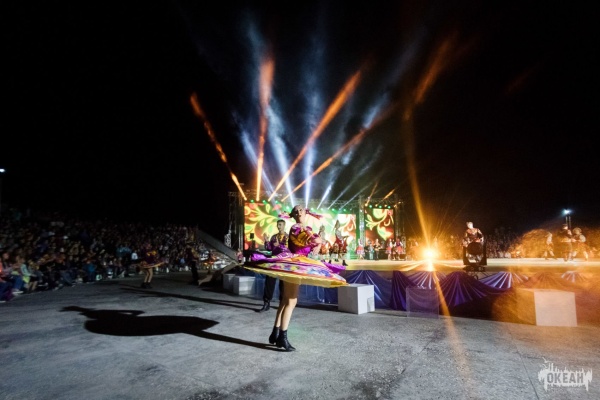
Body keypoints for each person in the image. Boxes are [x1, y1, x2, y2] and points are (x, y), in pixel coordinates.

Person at [244, 205, 347, 351]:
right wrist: (317, 242)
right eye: (296, 211)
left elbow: (312, 242)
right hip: (293, 264)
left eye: (301, 210)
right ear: (293, 215)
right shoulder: (296, 228)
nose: (299, 212)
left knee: (285, 300)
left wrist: (317, 244)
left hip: (298, 263)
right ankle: (282, 337)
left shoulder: (306, 228)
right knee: (291, 301)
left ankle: (276, 332)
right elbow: (306, 240)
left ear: (306, 212)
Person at [258, 219, 288, 312]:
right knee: (269, 282)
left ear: (284, 225)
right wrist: (267, 241)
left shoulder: (287, 237)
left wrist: (280, 245)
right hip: (274, 262)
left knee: (283, 284)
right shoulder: (274, 237)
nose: (278, 226)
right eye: (278, 225)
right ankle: (266, 303)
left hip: (284, 262)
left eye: (280, 225)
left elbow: (288, 250)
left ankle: (282, 304)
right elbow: (269, 248)